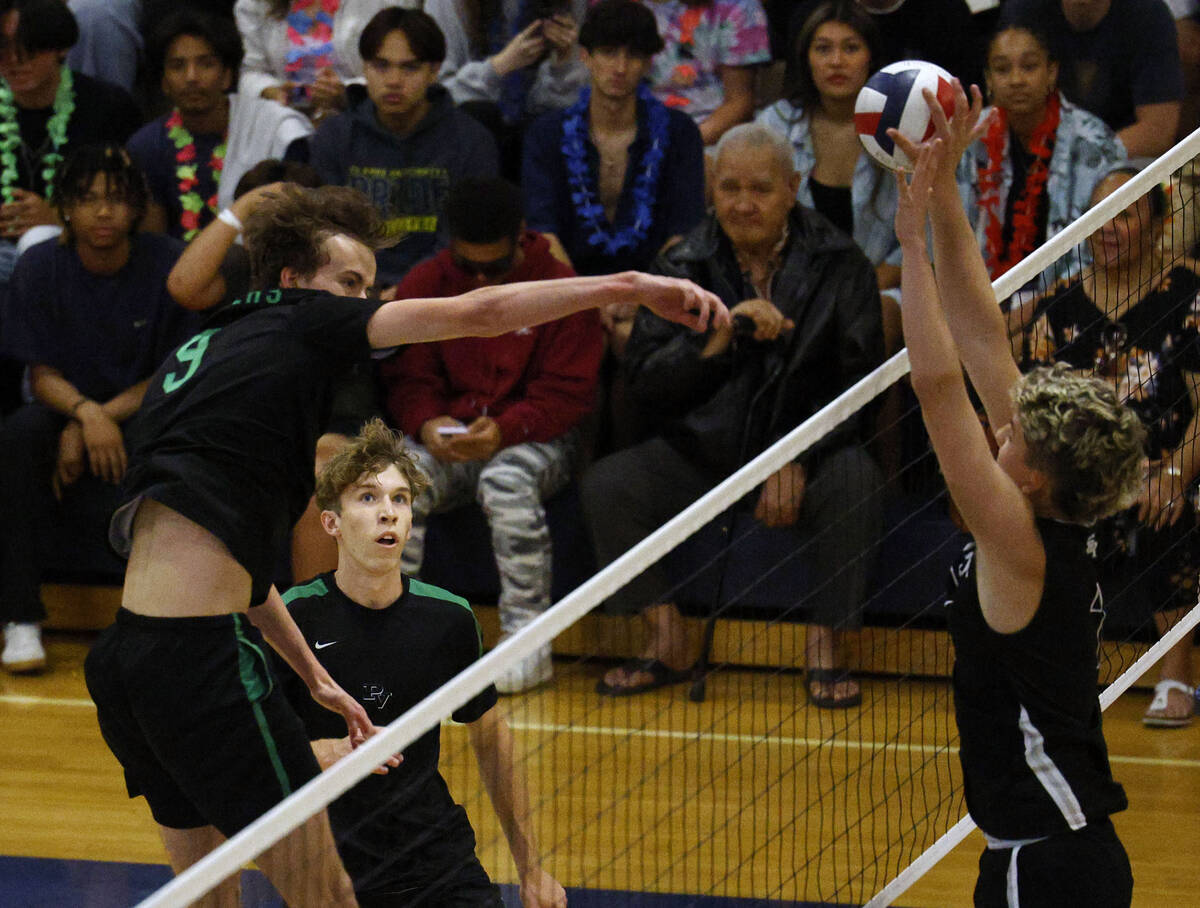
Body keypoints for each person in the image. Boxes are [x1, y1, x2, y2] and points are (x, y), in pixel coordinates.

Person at [82, 180, 726, 903]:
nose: (365, 304)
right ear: (295, 281)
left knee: (205, 893)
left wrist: (315, 677)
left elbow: (229, 560)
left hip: (125, 657)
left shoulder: (202, 355)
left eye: (370, 286)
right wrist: (633, 285)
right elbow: (480, 313)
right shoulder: (303, 325)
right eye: (349, 284)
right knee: (328, 896)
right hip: (201, 662)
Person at [891, 81, 1141, 908]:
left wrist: (908, 246)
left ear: (1030, 477)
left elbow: (935, 388)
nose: (1001, 429)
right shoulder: (1047, 503)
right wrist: (947, 190)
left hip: (1050, 865)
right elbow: (979, 331)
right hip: (1054, 857)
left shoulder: (1017, 542)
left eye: (1010, 438)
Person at [582, 122, 884, 706]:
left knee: (857, 481)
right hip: (705, 455)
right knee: (608, 485)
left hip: (808, 455)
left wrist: (796, 456)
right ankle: (667, 639)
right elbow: (644, 382)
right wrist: (718, 342)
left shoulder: (842, 264)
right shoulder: (680, 265)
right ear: (711, 191)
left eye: (761, 189)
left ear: (793, 187)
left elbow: (862, 389)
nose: (743, 204)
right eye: (729, 188)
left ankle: (826, 645)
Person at [278, 418, 568, 907]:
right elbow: (240, 747)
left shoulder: (448, 619)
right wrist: (316, 754)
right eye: (367, 498)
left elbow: (492, 742)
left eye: (400, 499)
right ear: (332, 522)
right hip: (331, 872)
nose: (387, 513)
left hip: (440, 863)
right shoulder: (291, 619)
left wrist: (531, 869)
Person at [381, 177, 605, 694]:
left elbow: (567, 395)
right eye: (468, 267)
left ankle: (527, 642)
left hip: (539, 438)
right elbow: (410, 378)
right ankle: (392, 641)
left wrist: (508, 429)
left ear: (520, 237)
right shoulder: (423, 284)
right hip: (450, 438)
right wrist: (426, 422)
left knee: (506, 482)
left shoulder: (559, 287)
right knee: (396, 481)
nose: (481, 279)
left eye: (494, 267)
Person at [1012, 165, 1200, 728]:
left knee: (1173, 512)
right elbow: (1034, 416)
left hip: (1167, 466)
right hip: (1080, 476)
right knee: (1032, 515)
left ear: (1159, 224)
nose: (1109, 229)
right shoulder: (1059, 306)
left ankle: (1175, 676)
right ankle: (1050, 674)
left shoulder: (1189, 296)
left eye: (1126, 215)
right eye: (1099, 217)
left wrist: (1174, 476)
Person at [0, 145, 196, 673]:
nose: (103, 212)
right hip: (66, 407)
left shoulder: (169, 264)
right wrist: (86, 416)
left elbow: (171, 372)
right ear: (65, 207)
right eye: (87, 200)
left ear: (135, 207)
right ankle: (19, 617)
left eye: (115, 199)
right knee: (17, 437)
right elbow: (40, 375)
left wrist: (102, 416)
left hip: (143, 409)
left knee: (177, 444)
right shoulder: (40, 266)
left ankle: (160, 619)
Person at [307, 7, 499, 290]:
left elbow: (465, 238)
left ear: (434, 71)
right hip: (353, 293)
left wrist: (411, 289)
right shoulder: (334, 138)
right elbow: (326, 234)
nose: (394, 80)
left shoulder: (471, 140)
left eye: (409, 67)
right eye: (381, 65)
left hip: (444, 291)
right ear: (364, 68)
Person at [522, 0, 706, 279]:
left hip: (655, 295)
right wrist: (587, 302)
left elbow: (684, 233)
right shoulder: (546, 134)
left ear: (648, 63)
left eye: (633, 56)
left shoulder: (681, 133)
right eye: (608, 53)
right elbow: (542, 233)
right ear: (585, 56)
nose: (620, 67)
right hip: (568, 295)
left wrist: (644, 299)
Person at [756, 1, 902, 343]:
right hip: (789, 286)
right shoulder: (773, 126)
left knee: (878, 313)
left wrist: (847, 296)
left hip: (883, 287)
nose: (836, 61)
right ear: (806, 59)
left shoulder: (901, 130)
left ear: (871, 58)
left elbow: (916, 247)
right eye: (823, 49)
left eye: (851, 48)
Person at [956, 22, 1125, 282]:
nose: (1016, 80)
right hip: (983, 298)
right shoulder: (970, 137)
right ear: (988, 79)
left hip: (1071, 297)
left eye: (1029, 67)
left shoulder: (1096, 143)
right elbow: (953, 237)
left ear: (1051, 73)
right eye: (1002, 69)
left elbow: (1106, 249)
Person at [126, 9, 313, 241]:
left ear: (227, 76)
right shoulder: (148, 146)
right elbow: (153, 247)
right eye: (177, 66)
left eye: (205, 64)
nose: (191, 77)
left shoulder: (276, 130)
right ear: (164, 83)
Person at [0, 0, 141, 282]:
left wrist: (62, 218)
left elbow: (132, 204)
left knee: (38, 242)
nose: (16, 61)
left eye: (31, 48)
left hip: (75, 250)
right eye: (3, 48)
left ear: (61, 47)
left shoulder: (107, 106)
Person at [1000, 0, 1183, 157]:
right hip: (1040, 157)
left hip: (1123, 159)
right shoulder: (1023, 12)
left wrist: (1080, 159)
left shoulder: (1147, 14)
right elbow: (1004, 114)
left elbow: (1158, 131)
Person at [233, 0, 412, 123]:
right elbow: (250, 72)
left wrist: (348, 93)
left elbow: (405, 66)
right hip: (285, 124)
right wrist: (272, 91)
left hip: (367, 119)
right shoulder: (254, 4)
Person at [641, 0, 771, 145]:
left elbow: (739, 102)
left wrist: (684, 146)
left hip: (707, 134)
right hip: (631, 127)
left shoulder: (740, 6)